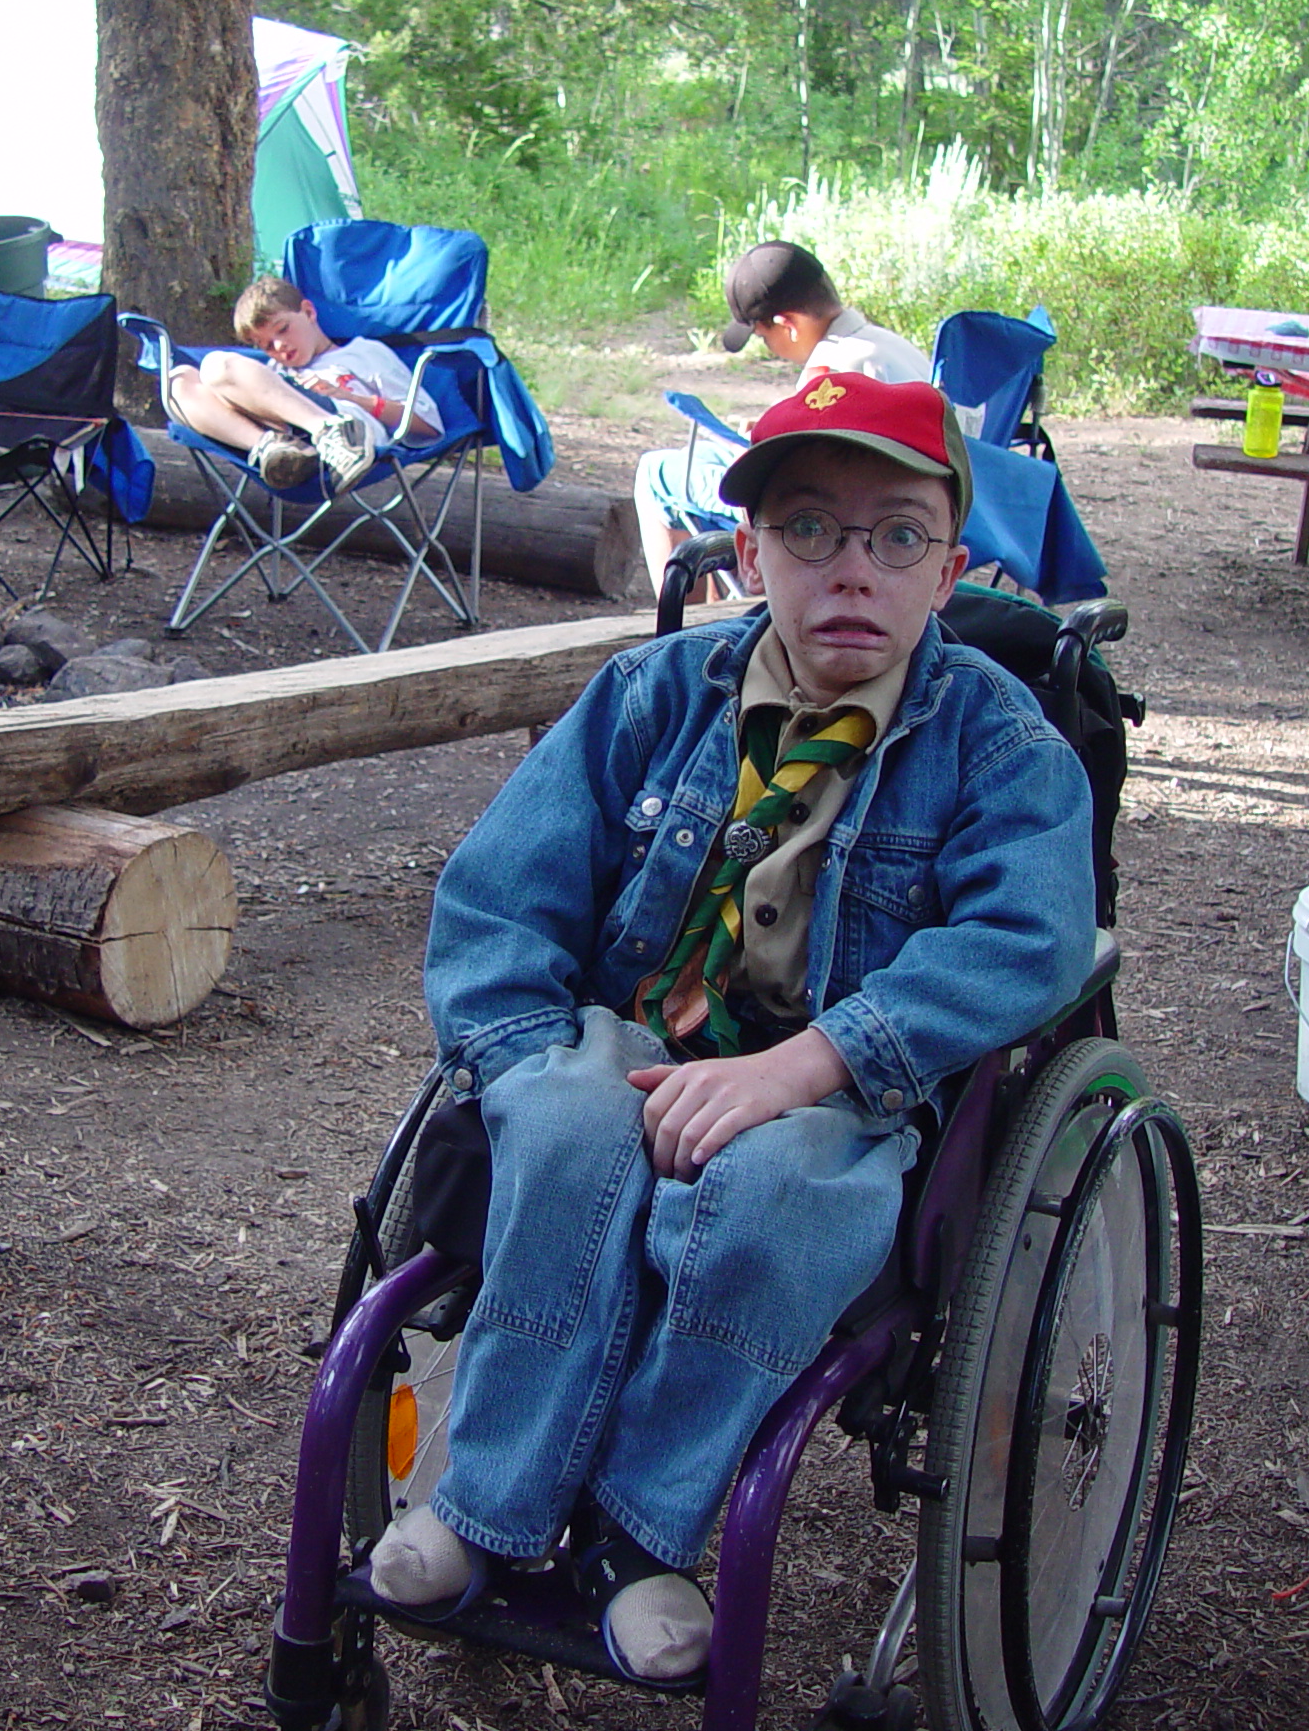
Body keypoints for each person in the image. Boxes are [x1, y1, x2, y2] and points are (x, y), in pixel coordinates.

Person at [375, 375, 1097, 1684]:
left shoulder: (999, 743)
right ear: (748, 549)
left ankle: (636, 1536)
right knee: (562, 1127)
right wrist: (523, 1053)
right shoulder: (650, 696)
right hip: (625, 1031)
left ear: (952, 569)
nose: (851, 571)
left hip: (834, 1083)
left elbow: (1030, 938)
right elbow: (500, 893)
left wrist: (816, 1061)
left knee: (782, 1201)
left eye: (897, 537)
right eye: (809, 530)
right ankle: (482, 1504)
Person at [636, 241, 934, 596]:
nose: (768, 347)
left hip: (837, 516)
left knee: (656, 473)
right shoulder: (890, 346)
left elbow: (808, 473)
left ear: (787, 324)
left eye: (763, 337)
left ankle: (679, 625)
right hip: (910, 507)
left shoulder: (829, 370)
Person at [165, 275, 438, 495]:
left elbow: (428, 425)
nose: (280, 346)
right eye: (267, 346)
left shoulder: (363, 353)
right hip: (288, 443)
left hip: (350, 430)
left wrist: (352, 398)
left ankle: (333, 432)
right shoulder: (274, 371)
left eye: (283, 329)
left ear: (308, 312)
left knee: (217, 366)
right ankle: (271, 448)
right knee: (178, 381)